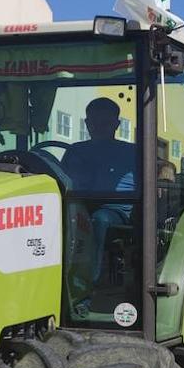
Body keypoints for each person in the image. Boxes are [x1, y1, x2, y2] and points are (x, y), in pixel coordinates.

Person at [61, 98, 138, 290]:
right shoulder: (75, 150)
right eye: (94, 122)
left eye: (105, 123)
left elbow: (162, 167)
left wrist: (165, 172)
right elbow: (61, 178)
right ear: (87, 123)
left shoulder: (131, 150)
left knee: (98, 220)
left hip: (115, 209)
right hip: (79, 204)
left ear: (116, 124)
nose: (99, 127)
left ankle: (85, 285)